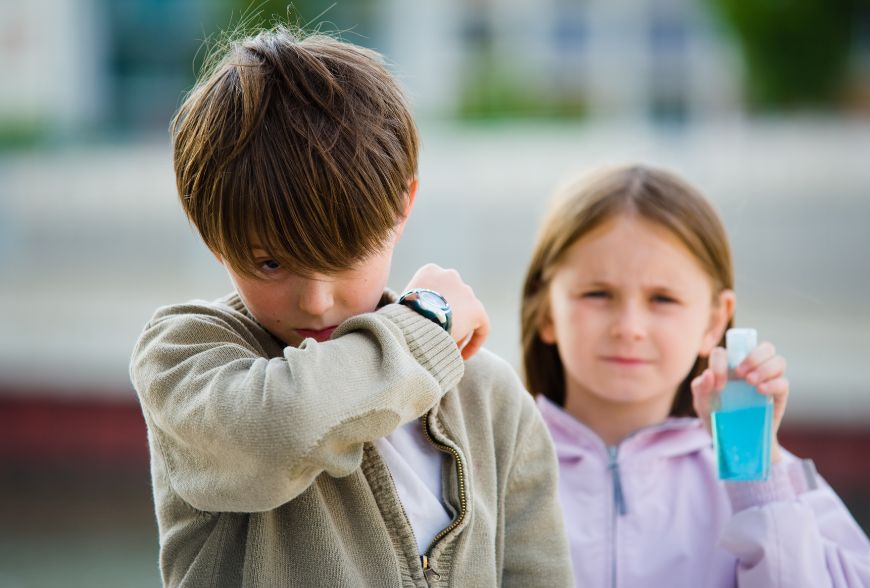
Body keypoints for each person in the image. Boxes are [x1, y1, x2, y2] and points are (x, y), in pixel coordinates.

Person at [130, 26, 572, 587]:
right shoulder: (184, 354)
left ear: (402, 205)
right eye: (270, 264)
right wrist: (428, 318)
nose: (315, 301)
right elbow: (281, 430)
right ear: (214, 238)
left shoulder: (487, 395)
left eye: (343, 257)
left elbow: (540, 573)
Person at [520, 164, 870, 587]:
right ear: (545, 311)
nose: (629, 326)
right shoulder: (496, 465)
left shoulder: (773, 478)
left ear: (713, 322)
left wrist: (753, 473)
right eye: (598, 294)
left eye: (662, 299)